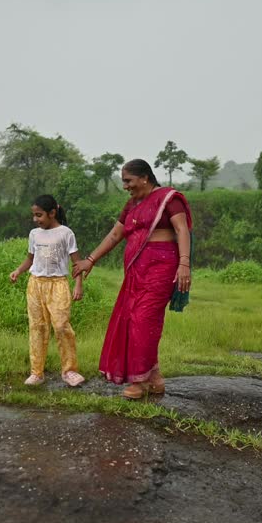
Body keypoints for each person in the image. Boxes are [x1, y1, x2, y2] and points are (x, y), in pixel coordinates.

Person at [72, 159, 192, 399]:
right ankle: (154, 377)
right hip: (136, 271)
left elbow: (181, 230)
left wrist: (184, 263)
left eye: (128, 180)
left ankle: (139, 380)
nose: (125, 186)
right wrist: (91, 259)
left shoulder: (169, 198)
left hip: (162, 268)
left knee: (143, 320)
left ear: (144, 177)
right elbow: (116, 234)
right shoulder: (132, 205)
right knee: (137, 321)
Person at [9, 195, 86, 387]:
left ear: (52, 213)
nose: (35, 219)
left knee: (61, 326)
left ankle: (69, 371)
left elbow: (77, 263)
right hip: (35, 285)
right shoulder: (34, 234)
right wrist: (18, 271)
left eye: (39, 215)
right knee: (37, 327)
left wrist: (78, 285)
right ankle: (37, 372)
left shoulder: (66, 233)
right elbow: (30, 259)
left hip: (58, 285)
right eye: (34, 215)